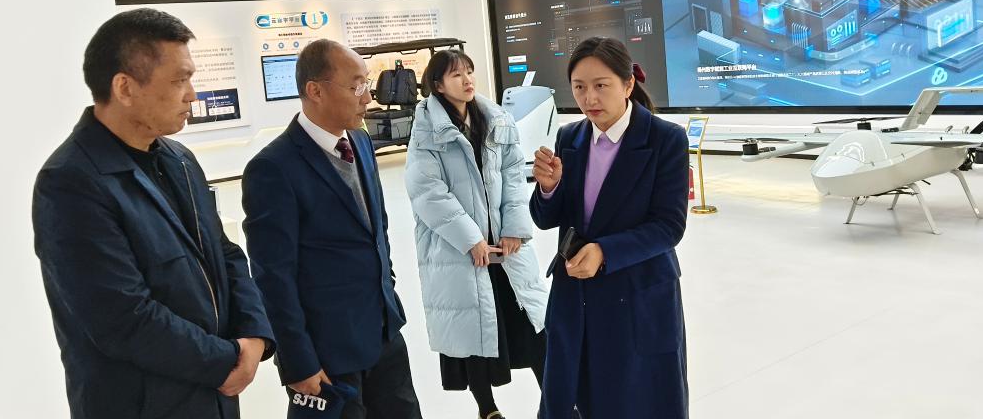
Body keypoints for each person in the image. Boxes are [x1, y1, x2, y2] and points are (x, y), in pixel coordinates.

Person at [32, 8, 275, 419]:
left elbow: (224, 253)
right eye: (180, 80)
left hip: (213, 396)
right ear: (125, 87)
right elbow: (122, 318)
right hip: (141, 402)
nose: (192, 95)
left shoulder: (180, 159)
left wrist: (253, 335)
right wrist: (226, 360)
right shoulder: (71, 181)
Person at [241, 39, 423, 419]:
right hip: (328, 354)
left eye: (366, 83)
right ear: (316, 91)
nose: (367, 96)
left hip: (383, 334)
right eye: (356, 86)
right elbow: (273, 276)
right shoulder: (273, 168)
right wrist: (297, 361)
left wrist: (386, 288)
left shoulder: (361, 141)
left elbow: (376, 227)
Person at [529, 37, 690, 419]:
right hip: (575, 295)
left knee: (637, 400)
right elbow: (547, 218)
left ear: (628, 84)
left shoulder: (665, 139)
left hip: (637, 293)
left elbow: (669, 225)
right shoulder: (570, 137)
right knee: (572, 396)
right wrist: (549, 188)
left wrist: (605, 252)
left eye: (601, 85)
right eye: (579, 87)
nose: (589, 98)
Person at [405, 50, 549, 419]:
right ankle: (488, 409)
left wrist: (515, 227)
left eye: (469, 71)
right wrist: (470, 239)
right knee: (472, 331)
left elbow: (514, 174)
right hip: (459, 249)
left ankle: (558, 402)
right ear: (438, 85)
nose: (468, 80)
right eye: (456, 75)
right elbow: (427, 191)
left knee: (533, 324)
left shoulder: (496, 119)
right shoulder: (426, 129)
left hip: (505, 244)